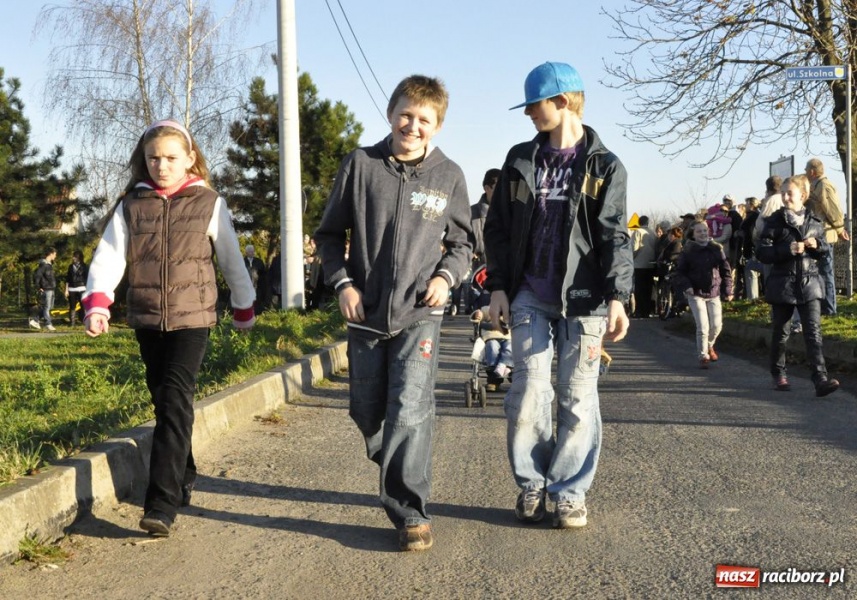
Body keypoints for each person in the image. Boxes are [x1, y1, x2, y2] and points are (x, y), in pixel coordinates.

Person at [313, 75, 472, 552]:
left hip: (419, 314)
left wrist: (445, 279)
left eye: (425, 119)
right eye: (406, 114)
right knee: (367, 412)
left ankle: (410, 511)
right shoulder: (360, 165)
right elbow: (327, 236)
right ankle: (395, 466)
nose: (413, 125)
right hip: (364, 312)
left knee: (410, 409)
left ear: (437, 126)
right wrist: (342, 282)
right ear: (390, 113)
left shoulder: (450, 175)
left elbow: (463, 244)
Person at [82, 119, 256, 537]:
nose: (161, 165)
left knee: (176, 398)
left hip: (193, 318)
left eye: (170, 158)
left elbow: (231, 256)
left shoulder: (208, 202)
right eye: (153, 158)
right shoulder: (131, 204)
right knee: (165, 401)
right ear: (144, 161)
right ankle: (185, 471)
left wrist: (243, 304)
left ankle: (161, 504)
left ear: (189, 159)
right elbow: (109, 257)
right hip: (145, 317)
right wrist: (98, 303)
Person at [483, 61, 632, 530]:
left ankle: (568, 491)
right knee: (528, 390)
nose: (529, 114)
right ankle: (531, 484)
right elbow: (499, 228)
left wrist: (619, 295)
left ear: (562, 102)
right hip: (528, 293)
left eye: (534, 105)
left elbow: (613, 234)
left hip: (585, 300)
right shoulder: (519, 160)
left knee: (577, 396)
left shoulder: (605, 166)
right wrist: (499, 288)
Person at [757, 174, 839, 397]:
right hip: (783, 283)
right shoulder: (774, 221)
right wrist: (786, 250)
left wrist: (817, 245)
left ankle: (820, 379)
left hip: (810, 283)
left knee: (813, 333)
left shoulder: (814, 221)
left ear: (803, 196)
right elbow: (762, 252)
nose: (784, 197)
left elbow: (823, 251)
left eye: (789, 193)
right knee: (781, 333)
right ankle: (778, 373)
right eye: (782, 193)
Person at [673, 221, 733, 368]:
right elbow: (680, 273)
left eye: (705, 231)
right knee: (703, 327)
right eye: (699, 231)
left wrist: (728, 290)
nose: (703, 234)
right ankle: (703, 355)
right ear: (693, 234)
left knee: (717, 326)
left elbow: (726, 272)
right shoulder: (688, 251)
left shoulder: (716, 249)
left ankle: (709, 345)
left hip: (714, 291)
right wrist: (687, 286)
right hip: (696, 293)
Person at [805, 158, 849, 316]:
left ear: (812, 171)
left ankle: (830, 309)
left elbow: (833, 208)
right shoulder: (816, 186)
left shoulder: (823, 185)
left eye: (806, 170)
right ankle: (825, 306)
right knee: (821, 272)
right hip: (819, 234)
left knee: (826, 272)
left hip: (825, 235)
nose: (805, 172)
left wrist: (839, 228)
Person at [631, 215, 657, 317]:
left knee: (639, 289)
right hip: (650, 264)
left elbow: (634, 248)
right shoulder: (652, 233)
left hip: (639, 264)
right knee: (648, 289)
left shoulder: (638, 232)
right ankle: (647, 310)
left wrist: (632, 258)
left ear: (639, 222)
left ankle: (639, 310)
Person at [740, 197, 762, 300]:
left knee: (751, 270)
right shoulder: (753, 216)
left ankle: (753, 298)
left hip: (753, 248)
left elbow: (751, 233)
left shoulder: (754, 217)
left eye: (747, 203)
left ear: (752, 204)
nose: (745, 206)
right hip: (753, 247)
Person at [31, 247, 58, 331]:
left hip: (51, 288)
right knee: (47, 307)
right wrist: (38, 287)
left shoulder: (49, 265)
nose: (55, 256)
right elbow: (37, 276)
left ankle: (35, 320)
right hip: (46, 288)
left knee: (49, 307)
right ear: (51, 253)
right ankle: (48, 324)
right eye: (55, 254)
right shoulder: (44, 265)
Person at [65, 250, 89, 326]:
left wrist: (87, 288)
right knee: (72, 306)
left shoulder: (84, 266)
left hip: (82, 287)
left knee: (83, 306)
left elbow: (87, 278)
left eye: (75, 256)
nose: (73, 258)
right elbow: (67, 279)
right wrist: (66, 290)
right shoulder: (70, 266)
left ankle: (85, 321)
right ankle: (72, 322)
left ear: (79, 257)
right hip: (72, 288)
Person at [244, 244, 267, 313]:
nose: (252, 253)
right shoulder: (242, 261)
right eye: (250, 251)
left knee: (256, 302)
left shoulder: (259, 261)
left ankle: (256, 314)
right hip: (245, 286)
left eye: (253, 251)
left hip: (257, 286)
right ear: (246, 252)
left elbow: (263, 274)